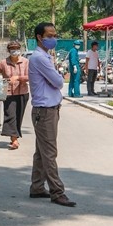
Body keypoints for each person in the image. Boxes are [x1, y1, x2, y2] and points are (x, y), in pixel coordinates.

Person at [28, 22, 76, 207]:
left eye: (55, 34)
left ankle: (37, 187)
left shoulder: (45, 56)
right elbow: (58, 81)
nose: (53, 38)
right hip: (45, 111)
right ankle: (57, 191)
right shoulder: (39, 58)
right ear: (40, 37)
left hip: (48, 109)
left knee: (42, 152)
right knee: (49, 153)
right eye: (49, 35)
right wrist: (57, 76)